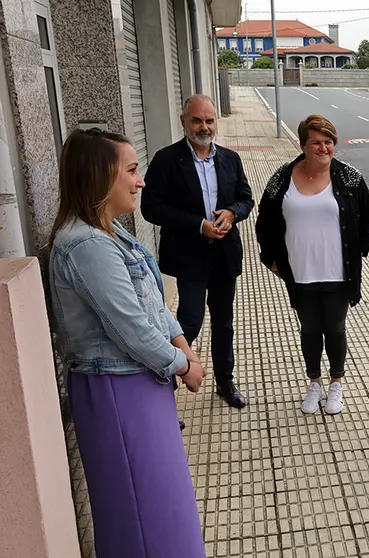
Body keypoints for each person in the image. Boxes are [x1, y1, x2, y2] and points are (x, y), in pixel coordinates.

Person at [48, 128, 206, 558]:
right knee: (142, 512)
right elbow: (130, 327)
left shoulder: (111, 233)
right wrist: (182, 363)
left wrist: (181, 345)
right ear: (101, 177)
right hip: (116, 390)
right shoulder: (85, 245)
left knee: (163, 504)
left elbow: (151, 305)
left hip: (138, 385)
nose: (141, 181)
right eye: (132, 171)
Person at [255, 115, 369, 415]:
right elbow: (265, 222)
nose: (323, 148)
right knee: (309, 328)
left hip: (337, 272)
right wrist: (272, 261)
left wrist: (358, 254)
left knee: (334, 327)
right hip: (299, 273)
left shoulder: (350, 179)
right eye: (316, 142)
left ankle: (336, 382)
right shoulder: (281, 178)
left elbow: (366, 216)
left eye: (328, 142)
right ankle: (314, 383)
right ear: (303, 145)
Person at [141, 94, 254, 410]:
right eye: (197, 120)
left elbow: (246, 198)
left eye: (209, 120)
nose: (204, 127)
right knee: (189, 321)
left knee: (224, 322)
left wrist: (232, 212)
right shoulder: (166, 160)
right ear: (184, 122)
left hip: (223, 256)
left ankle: (225, 381)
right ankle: (167, 381)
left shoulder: (230, 158)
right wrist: (197, 225)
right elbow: (151, 208)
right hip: (189, 256)